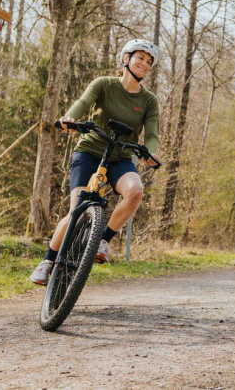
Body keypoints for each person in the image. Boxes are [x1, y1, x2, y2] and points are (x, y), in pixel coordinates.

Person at [30, 39, 161, 285]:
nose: (145, 64)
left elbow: (152, 133)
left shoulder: (149, 100)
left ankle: (102, 239)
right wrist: (71, 117)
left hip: (121, 156)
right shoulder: (104, 84)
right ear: (126, 59)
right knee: (76, 210)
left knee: (135, 191)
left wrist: (151, 152)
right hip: (90, 152)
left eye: (149, 62)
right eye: (140, 58)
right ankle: (48, 260)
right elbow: (83, 103)